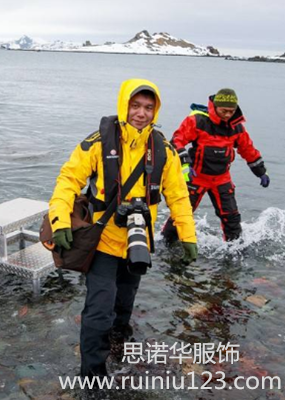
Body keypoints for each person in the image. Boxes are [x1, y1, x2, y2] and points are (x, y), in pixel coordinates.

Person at [48, 79, 198, 378]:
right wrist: (60, 220)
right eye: (135, 105)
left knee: (125, 303)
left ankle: (119, 346)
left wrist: (188, 236)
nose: (141, 113)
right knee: (98, 311)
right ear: (123, 105)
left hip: (137, 243)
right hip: (103, 241)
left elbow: (179, 196)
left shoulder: (164, 150)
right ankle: (93, 377)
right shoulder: (98, 142)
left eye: (148, 108)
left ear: (156, 111)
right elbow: (68, 180)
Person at [162, 88, 269, 243]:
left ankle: (234, 248)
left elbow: (247, 149)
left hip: (222, 179)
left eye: (231, 111)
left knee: (231, 217)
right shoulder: (197, 121)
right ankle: (166, 242)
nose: (227, 115)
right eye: (224, 111)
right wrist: (185, 163)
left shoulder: (237, 127)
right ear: (215, 107)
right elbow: (176, 141)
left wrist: (261, 172)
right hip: (196, 177)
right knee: (181, 215)